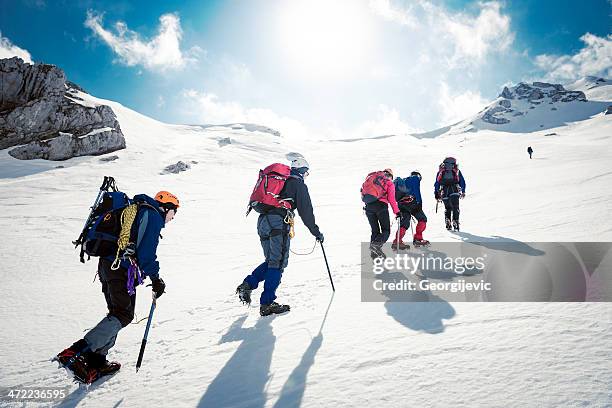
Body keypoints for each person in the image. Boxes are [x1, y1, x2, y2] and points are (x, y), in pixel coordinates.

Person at [56, 191, 179, 383]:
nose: (173, 218)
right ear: (167, 208)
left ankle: (97, 360)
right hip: (119, 268)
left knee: (118, 313)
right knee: (123, 314)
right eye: (174, 212)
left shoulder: (138, 210)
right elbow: (146, 254)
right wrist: (156, 278)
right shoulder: (153, 215)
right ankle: (76, 352)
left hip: (109, 266)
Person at [237, 157, 323, 316]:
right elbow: (306, 212)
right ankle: (267, 303)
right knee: (277, 263)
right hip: (278, 222)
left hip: (263, 221)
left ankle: (248, 284)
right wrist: (316, 232)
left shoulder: (280, 181)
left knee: (272, 261)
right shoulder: (298, 184)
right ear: (303, 171)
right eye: (306, 172)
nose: (306, 175)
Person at [362, 168, 400, 258]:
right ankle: (375, 247)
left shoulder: (372, 179)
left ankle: (374, 254)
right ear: (390, 176)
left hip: (369, 207)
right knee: (386, 231)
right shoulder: (389, 183)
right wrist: (397, 212)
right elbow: (391, 199)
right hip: (381, 206)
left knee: (375, 231)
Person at [393, 171, 429, 249]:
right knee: (422, 219)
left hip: (400, 203)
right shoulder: (415, 178)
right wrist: (419, 204)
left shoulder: (403, 181)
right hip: (412, 202)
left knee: (404, 223)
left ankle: (397, 241)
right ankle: (418, 239)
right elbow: (416, 191)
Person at [434, 157, 466, 231]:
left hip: (444, 191)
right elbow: (462, 181)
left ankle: (448, 221)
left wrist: (436, 193)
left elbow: (437, 183)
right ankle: (455, 221)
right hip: (454, 190)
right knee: (455, 207)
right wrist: (463, 191)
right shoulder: (456, 171)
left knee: (447, 208)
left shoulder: (441, 171)